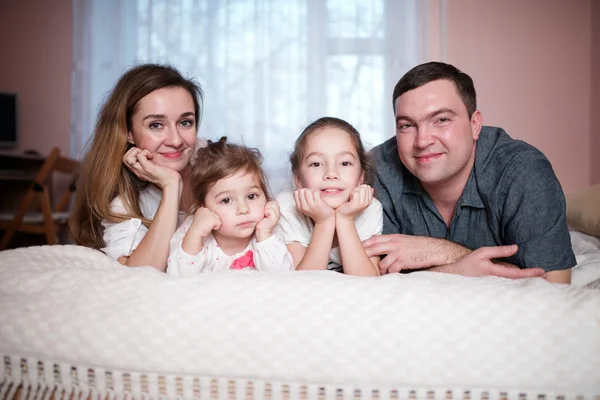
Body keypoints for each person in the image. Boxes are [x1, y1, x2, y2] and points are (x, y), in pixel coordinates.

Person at [364, 61, 575, 283]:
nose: (422, 141)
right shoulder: (377, 169)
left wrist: (442, 252)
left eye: (442, 120)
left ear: (475, 125)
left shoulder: (522, 171)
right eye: (407, 125)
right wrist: (457, 267)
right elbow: (370, 280)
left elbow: (553, 285)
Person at [70, 64, 205, 271]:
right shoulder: (125, 201)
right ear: (129, 132)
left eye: (185, 122)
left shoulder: (208, 158)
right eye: (156, 125)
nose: (176, 140)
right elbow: (143, 272)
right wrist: (171, 185)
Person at [167, 137, 294, 275]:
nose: (243, 209)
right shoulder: (192, 232)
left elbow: (284, 279)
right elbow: (176, 279)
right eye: (226, 200)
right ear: (202, 207)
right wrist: (195, 234)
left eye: (251, 196)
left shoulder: (268, 231)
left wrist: (264, 234)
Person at [276, 117, 382, 276]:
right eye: (316, 164)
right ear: (298, 179)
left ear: (361, 177)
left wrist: (345, 220)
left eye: (345, 163)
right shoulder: (287, 207)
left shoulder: (370, 208)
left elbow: (367, 281)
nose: (331, 174)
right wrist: (323, 222)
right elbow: (301, 283)